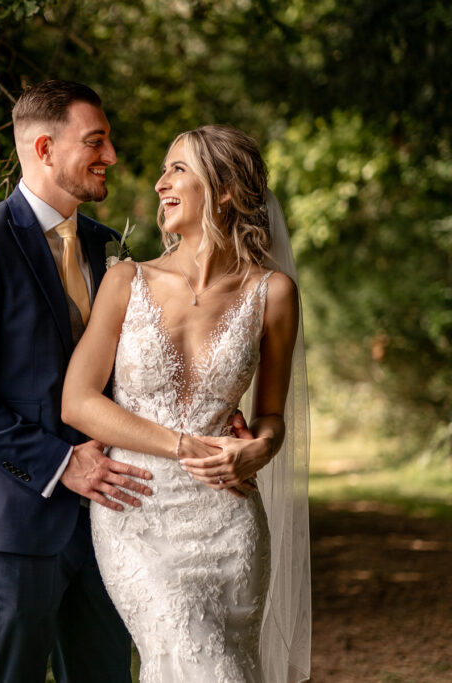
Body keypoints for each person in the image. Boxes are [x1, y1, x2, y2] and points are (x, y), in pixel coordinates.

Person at [61, 124, 312, 682]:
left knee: (228, 662)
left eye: (178, 169)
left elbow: (271, 415)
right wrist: (181, 445)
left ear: (224, 190)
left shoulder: (273, 294)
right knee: (192, 652)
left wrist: (262, 449)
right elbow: (77, 401)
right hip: (137, 509)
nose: (160, 184)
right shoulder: (126, 280)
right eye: (164, 171)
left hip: (230, 517)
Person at [0, 80, 150, 682]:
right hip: (16, 522)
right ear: (46, 148)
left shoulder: (106, 247)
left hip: (107, 517)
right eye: (95, 141)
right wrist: (60, 462)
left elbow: (133, 370)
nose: (110, 156)